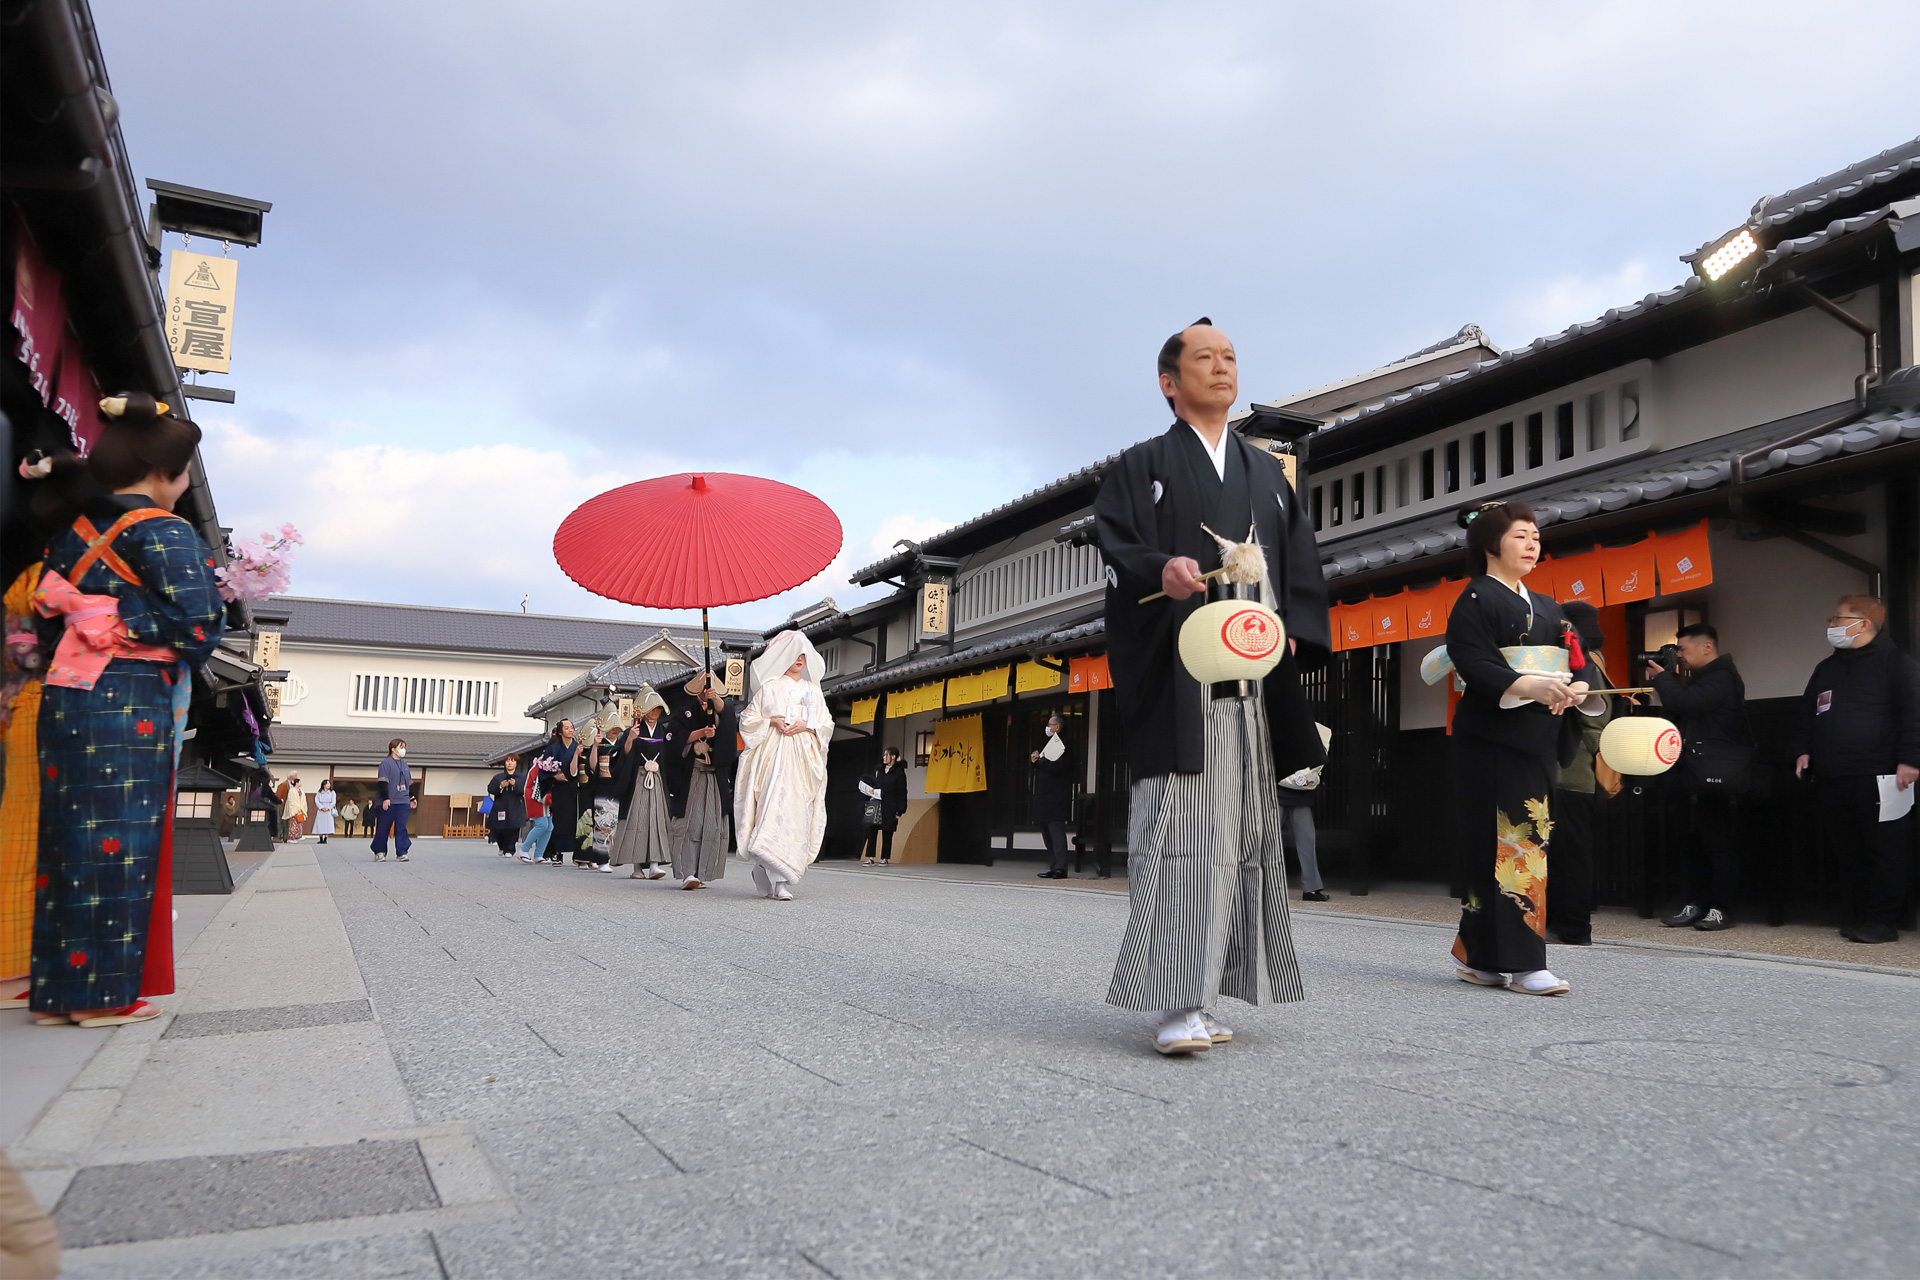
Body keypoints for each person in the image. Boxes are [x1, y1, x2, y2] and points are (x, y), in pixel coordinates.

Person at [1094, 319, 1331, 1055]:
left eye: (1230, 357)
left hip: (1251, 679)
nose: (1223, 367)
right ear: (1170, 382)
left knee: (1238, 838)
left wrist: (1291, 629)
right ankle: (1173, 1003)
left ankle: (1204, 990)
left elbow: (1297, 564)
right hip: (1182, 680)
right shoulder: (1142, 464)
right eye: (1205, 358)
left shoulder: (1267, 472)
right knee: (1183, 834)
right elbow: (1118, 546)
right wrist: (1159, 568)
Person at [27, 407, 225, 1027]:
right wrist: (126, 624)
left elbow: (44, 620)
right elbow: (199, 625)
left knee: (66, 843)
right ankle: (101, 996)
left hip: (67, 693)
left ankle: (58, 995)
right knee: (119, 841)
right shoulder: (162, 531)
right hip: (126, 695)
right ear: (167, 471)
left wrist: (94, 617)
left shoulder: (76, 533)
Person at [1444, 501, 1602, 996]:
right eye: (1520, 536)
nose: (1532, 544)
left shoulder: (1550, 607)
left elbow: (1577, 660)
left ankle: (1485, 958)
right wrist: (1527, 686)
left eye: (1535, 536)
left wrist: (1577, 687)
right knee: (1506, 843)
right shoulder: (1475, 599)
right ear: (1491, 545)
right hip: (1491, 737)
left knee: (1524, 840)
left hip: (1534, 736)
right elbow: (1471, 659)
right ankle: (1524, 961)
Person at [1790, 594, 1920, 944]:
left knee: (1886, 852)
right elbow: (1807, 714)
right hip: (1833, 776)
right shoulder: (1826, 668)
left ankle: (1882, 922)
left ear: (1863, 624)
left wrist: (1910, 759)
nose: (1830, 626)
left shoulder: (1896, 663)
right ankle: (1857, 916)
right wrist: (1802, 751)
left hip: (1884, 776)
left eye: (1837, 619)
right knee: (1848, 851)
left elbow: (1914, 713)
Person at [1650, 623, 1748, 932]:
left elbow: (1685, 704)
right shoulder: (1700, 678)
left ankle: (1721, 908)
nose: (1679, 655)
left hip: (1715, 772)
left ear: (1707, 647)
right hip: (1691, 769)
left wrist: (1663, 679)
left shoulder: (1723, 676)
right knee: (1689, 839)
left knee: (1717, 841)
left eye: (1683, 649)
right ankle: (1695, 902)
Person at [734, 629, 832, 900]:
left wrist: (808, 725)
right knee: (771, 807)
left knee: (795, 813)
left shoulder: (813, 690)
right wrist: (772, 721)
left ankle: (775, 875)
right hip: (773, 759)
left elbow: (827, 724)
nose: (799, 659)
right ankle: (772, 875)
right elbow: (747, 720)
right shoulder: (770, 687)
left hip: (801, 761)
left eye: (803, 654)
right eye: (794, 654)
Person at [1545, 602, 1617, 946]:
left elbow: (1595, 722)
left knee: (1570, 853)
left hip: (1572, 772)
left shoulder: (1583, 662)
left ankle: (1574, 927)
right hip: (1574, 773)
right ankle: (1565, 922)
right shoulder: (1592, 661)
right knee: (1568, 851)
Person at [1, 564, 51, 1010]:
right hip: (39, 706)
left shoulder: (28, 581)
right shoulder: (46, 577)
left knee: (23, 833)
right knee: (25, 838)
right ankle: (12, 970)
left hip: (23, 705)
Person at [670, 670, 736, 888]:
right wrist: (699, 734)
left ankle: (703, 872)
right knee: (691, 823)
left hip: (714, 777)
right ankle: (688, 872)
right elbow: (673, 741)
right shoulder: (684, 713)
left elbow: (727, 727)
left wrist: (716, 700)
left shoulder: (723, 711)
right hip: (693, 775)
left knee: (712, 826)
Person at [609, 691, 676, 879]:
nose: (655, 712)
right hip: (638, 779)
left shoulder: (664, 731)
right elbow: (621, 755)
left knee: (656, 820)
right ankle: (637, 867)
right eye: (652, 708)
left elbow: (670, 757)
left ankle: (655, 864)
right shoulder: (634, 730)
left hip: (657, 780)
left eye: (658, 708)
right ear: (644, 711)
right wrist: (630, 739)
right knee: (637, 820)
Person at [1276, 722, 1333, 902]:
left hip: (1299, 792)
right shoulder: (1277, 727)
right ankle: (1259, 882)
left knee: (1307, 840)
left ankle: (1311, 888)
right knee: (1267, 840)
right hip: (1277, 791)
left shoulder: (1313, 730)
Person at [1029, 714, 1073, 878]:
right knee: (1046, 833)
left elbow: (1058, 767)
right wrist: (1035, 761)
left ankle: (1061, 868)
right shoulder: (1049, 743)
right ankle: (1053, 866)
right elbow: (1044, 764)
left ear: (1058, 727)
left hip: (1057, 796)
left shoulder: (1064, 744)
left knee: (1056, 832)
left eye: (1050, 724)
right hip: (1044, 795)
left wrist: (1040, 762)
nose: (1047, 727)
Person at [858, 746, 909, 867]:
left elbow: (902, 791)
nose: (884, 757)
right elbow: (872, 783)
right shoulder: (879, 770)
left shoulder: (899, 773)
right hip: (876, 803)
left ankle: (885, 857)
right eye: (884, 755)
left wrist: (900, 810)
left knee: (887, 832)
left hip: (890, 805)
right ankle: (870, 857)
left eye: (887, 755)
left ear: (893, 757)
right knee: (872, 830)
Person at [371, 739, 417, 862]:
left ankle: (401, 852)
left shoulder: (405, 764)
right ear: (393, 749)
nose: (403, 749)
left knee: (401, 827)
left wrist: (412, 797)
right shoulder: (386, 763)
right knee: (383, 827)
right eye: (401, 747)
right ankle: (380, 851)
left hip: (403, 801)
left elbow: (408, 783)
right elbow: (382, 782)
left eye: (404, 747)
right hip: (389, 801)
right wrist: (386, 798)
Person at [486, 754, 524, 856]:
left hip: (515, 806)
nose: (510, 763)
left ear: (516, 763)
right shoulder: (498, 777)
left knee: (513, 828)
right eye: (507, 761)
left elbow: (524, 790)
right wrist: (500, 786)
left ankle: (510, 850)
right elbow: (490, 789)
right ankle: (502, 847)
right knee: (499, 828)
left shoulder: (521, 777)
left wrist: (515, 784)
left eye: (512, 761)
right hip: (500, 805)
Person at [278, 773, 307, 841]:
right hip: (294, 810)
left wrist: (301, 807)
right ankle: (291, 837)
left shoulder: (301, 791)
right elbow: (291, 801)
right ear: (296, 783)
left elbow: (303, 801)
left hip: (300, 809)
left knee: (299, 823)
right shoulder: (291, 791)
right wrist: (297, 807)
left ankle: (298, 836)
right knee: (292, 824)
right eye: (299, 782)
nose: (301, 783)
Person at [312, 779, 337, 845]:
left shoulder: (332, 792)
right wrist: (321, 807)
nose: (329, 785)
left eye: (329, 784)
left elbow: (333, 802)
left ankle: (326, 838)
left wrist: (328, 808)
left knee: (327, 824)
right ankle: (320, 838)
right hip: (321, 810)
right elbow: (316, 801)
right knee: (320, 824)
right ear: (324, 785)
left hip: (328, 810)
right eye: (327, 784)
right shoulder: (319, 792)